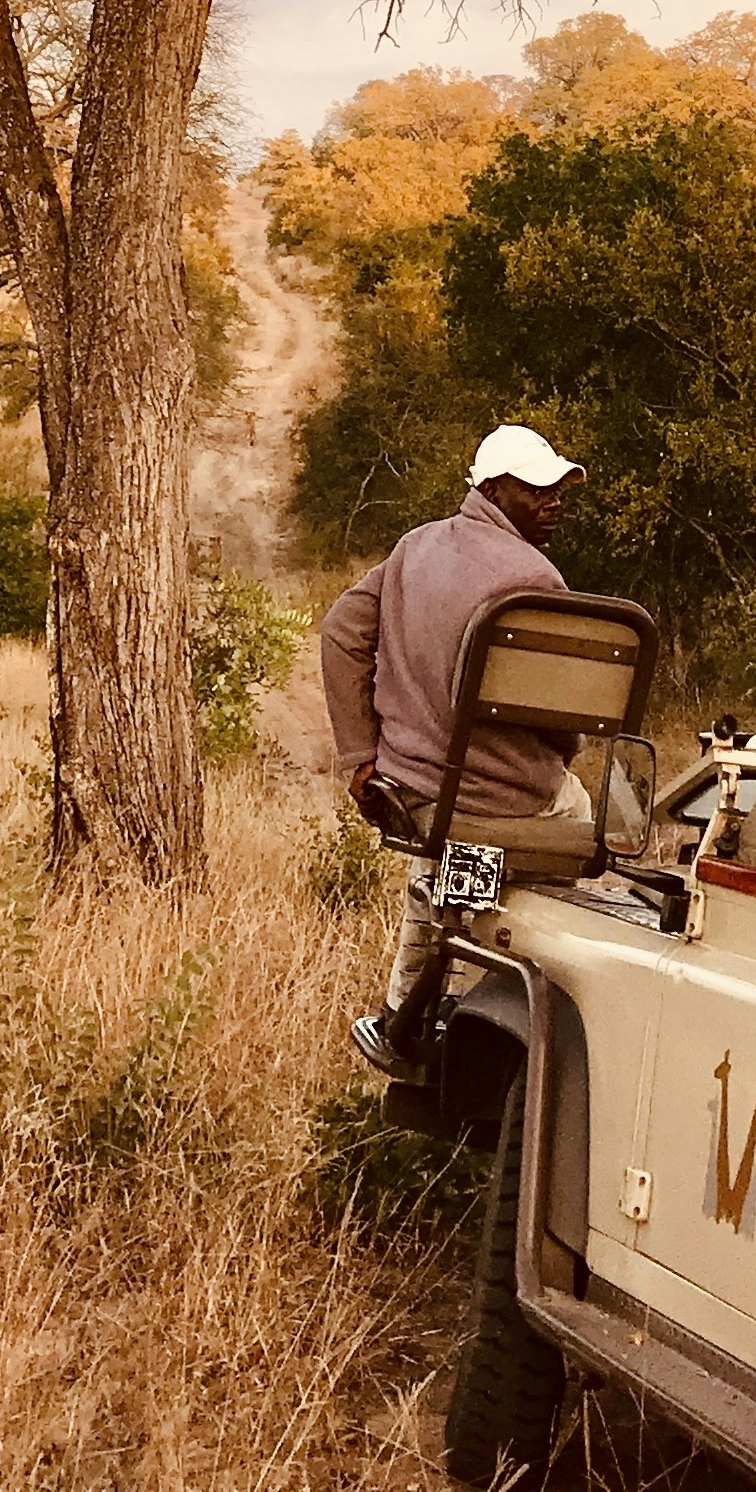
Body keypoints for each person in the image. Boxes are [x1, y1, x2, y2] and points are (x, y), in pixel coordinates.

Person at [321, 422, 594, 1076]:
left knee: (442, 862)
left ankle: (401, 1014)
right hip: (498, 800)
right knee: (582, 825)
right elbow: (562, 726)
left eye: (557, 488)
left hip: (410, 793)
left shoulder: (414, 547)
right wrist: (563, 752)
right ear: (495, 490)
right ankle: (523, 1016)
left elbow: (339, 632)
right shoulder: (536, 578)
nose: (554, 500)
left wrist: (360, 755)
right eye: (537, 488)